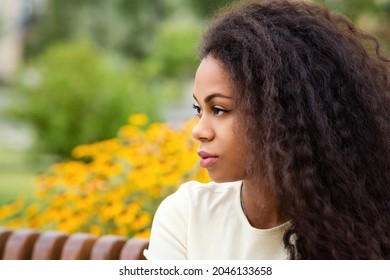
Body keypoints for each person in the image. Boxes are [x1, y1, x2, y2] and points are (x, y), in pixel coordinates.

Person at [144, 0, 390, 259]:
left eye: (219, 109)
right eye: (199, 110)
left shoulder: (360, 227)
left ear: (282, 114)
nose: (199, 131)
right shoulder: (187, 216)